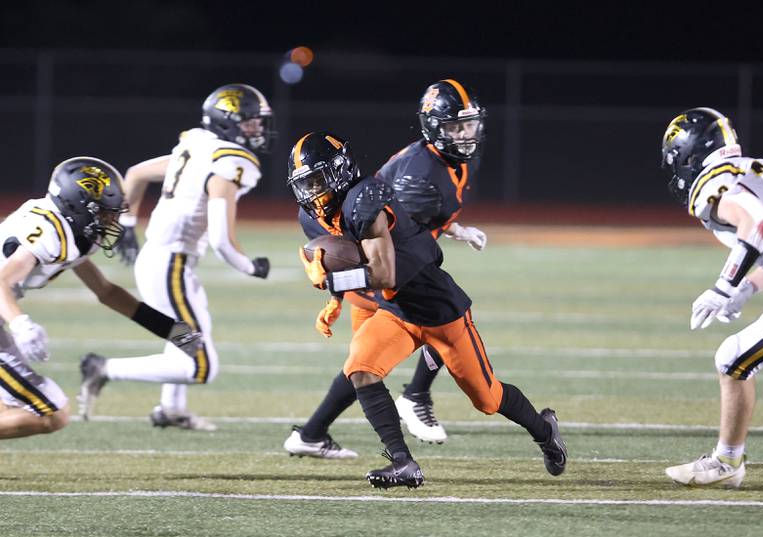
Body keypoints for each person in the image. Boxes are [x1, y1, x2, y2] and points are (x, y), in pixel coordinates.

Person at [287, 131, 566, 488]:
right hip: (396, 310)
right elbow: (353, 263)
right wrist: (335, 299)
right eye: (305, 184)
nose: (312, 192)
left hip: (439, 309)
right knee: (360, 369)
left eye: (318, 180)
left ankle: (545, 431)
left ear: (340, 171)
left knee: (487, 397)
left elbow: (382, 271)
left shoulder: (365, 199)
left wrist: (331, 282)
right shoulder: (312, 217)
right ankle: (403, 462)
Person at [283, 79, 488, 458]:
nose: (465, 133)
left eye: (467, 124)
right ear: (434, 126)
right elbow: (396, 238)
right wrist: (339, 284)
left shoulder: (446, 161)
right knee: (441, 319)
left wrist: (454, 228)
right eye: (456, 126)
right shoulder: (419, 172)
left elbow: (417, 226)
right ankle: (415, 397)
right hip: (377, 271)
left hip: (382, 267)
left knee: (366, 361)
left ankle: (311, 434)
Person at [78, 84, 275, 430]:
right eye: (250, 122)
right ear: (228, 122)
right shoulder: (227, 160)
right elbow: (221, 239)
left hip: (166, 261)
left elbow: (137, 172)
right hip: (171, 265)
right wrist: (250, 266)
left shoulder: (199, 147)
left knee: (185, 335)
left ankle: (170, 408)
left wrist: (126, 224)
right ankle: (103, 368)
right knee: (201, 365)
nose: (257, 129)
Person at [0, 157, 201, 440]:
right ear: (78, 206)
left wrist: (171, 330)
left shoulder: (74, 232)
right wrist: (21, 323)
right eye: (105, 212)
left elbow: (105, 291)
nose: (112, 220)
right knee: (50, 411)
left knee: (11, 406)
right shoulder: (50, 232)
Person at [662, 107, 763, 488]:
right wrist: (748, 287)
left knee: (733, 359)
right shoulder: (757, 168)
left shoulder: (713, 182)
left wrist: (724, 286)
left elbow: (760, 225)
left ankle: (726, 462)